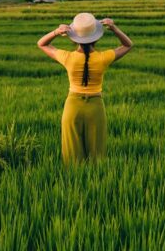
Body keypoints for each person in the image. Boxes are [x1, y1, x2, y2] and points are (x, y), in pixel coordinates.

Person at [37, 13, 134, 164]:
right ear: (96, 37)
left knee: (72, 155)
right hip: (95, 107)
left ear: (74, 36)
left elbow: (41, 44)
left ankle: (74, 183)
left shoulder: (67, 57)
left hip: (72, 107)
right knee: (97, 155)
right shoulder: (103, 57)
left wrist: (57, 31)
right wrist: (114, 28)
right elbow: (128, 45)